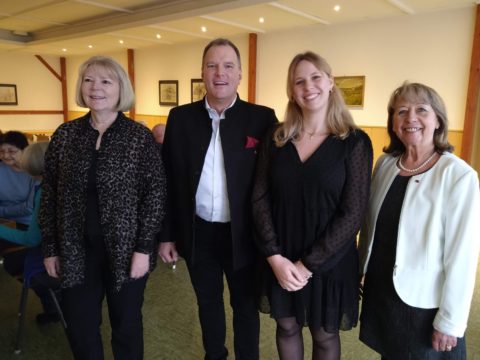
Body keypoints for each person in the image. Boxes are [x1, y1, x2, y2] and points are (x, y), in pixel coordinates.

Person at [39, 56, 166, 360]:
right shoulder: (65, 135)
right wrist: (50, 248)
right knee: (81, 326)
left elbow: (155, 196)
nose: (95, 88)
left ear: (120, 88)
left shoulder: (138, 137)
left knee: (126, 326)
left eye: (106, 81)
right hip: (75, 249)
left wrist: (143, 249)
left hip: (126, 250)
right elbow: (50, 195)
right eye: (88, 80)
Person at [158, 38, 277, 360]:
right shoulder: (180, 118)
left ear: (240, 74)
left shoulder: (263, 118)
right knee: (207, 302)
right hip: (197, 232)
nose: (219, 73)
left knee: (245, 306)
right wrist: (167, 235)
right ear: (202, 73)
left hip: (244, 235)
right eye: (212, 65)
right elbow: (167, 181)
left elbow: (275, 183)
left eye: (227, 66)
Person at [252, 51, 373, 360]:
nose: (309, 87)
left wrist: (307, 266)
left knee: (324, 335)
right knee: (287, 327)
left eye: (316, 77)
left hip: (329, 257)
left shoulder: (354, 142)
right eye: (299, 81)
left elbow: (354, 212)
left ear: (330, 82)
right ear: (292, 91)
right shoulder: (277, 138)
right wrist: (275, 257)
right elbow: (260, 197)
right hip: (281, 252)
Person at [358, 82, 480, 360]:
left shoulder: (458, 176)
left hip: (422, 302)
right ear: (393, 122)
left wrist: (451, 321)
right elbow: (369, 226)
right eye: (401, 111)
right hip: (384, 291)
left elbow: (463, 255)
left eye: (421, 110)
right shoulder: (386, 164)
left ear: (438, 120)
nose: (410, 118)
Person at [0, 141, 60, 324]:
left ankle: (52, 301)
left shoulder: (44, 192)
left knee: (10, 259)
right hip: (71, 252)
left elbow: (31, 239)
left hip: (55, 255)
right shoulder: (60, 182)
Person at [0, 131, 38, 234]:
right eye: (2, 152)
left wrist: (2, 211)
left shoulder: (35, 171)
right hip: (3, 222)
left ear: (24, 150)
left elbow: (30, 207)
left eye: (12, 151)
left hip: (28, 225)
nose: (6, 156)